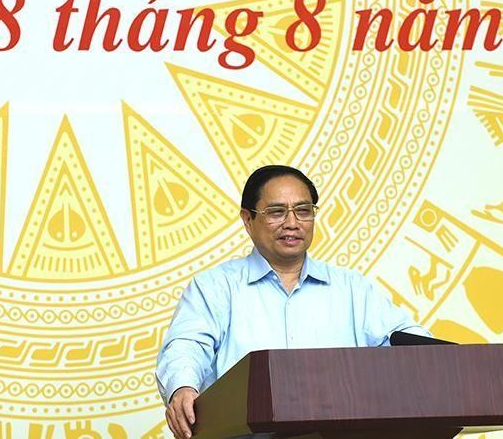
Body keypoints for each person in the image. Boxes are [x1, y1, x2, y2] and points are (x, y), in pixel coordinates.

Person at [156, 165, 430, 439]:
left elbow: (409, 342)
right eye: (276, 212)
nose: (292, 223)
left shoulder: (353, 288)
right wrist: (182, 387)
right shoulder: (214, 287)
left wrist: (436, 364)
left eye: (303, 211)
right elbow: (187, 346)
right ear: (248, 219)